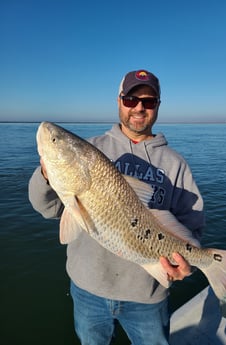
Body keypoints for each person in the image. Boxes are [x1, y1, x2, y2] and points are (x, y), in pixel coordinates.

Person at [29, 69, 205, 345]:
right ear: (119, 100)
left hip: (148, 295)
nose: (138, 107)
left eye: (148, 101)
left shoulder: (175, 164)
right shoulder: (88, 150)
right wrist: (45, 174)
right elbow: (46, 208)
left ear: (158, 105)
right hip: (88, 291)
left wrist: (188, 265)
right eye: (131, 99)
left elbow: (192, 226)